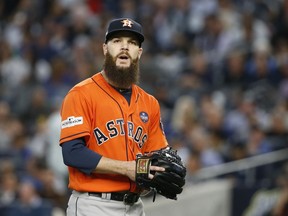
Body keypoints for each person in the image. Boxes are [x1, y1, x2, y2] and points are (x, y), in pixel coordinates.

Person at [59, 18, 168, 216]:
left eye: (132, 43)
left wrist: (158, 174)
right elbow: (72, 153)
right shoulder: (81, 94)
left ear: (139, 53)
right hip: (94, 204)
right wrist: (127, 168)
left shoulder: (149, 102)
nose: (125, 47)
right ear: (105, 49)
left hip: (135, 206)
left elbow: (156, 155)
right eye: (117, 41)